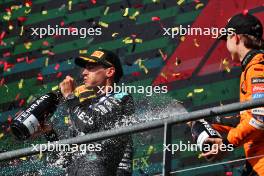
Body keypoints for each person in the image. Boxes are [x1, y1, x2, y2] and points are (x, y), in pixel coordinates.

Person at [201, 13, 264, 176]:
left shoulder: (257, 67)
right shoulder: (253, 66)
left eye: (226, 39)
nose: (226, 44)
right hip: (255, 163)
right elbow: (249, 117)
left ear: (234, 37)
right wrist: (212, 123)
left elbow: (259, 119)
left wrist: (225, 144)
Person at [58, 49, 134, 176]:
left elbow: (88, 124)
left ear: (109, 72)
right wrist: (48, 132)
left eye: (91, 67)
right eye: (85, 68)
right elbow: (61, 160)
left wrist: (70, 96)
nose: (84, 73)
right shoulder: (84, 108)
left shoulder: (121, 97)